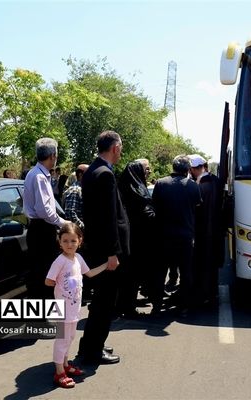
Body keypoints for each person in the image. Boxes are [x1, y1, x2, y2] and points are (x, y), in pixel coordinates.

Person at [77, 130, 129, 365]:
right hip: (105, 251)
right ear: (115, 148)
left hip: (97, 247)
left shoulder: (92, 171)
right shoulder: (104, 174)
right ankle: (93, 351)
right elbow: (107, 218)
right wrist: (112, 253)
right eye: (121, 148)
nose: (121, 152)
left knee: (100, 301)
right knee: (105, 302)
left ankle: (91, 344)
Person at [45, 222, 107, 388]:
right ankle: (59, 373)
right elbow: (48, 281)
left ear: (80, 241)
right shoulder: (60, 261)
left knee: (70, 338)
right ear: (59, 242)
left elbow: (89, 273)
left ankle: (65, 365)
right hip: (63, 308)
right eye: (65, 241)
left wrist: (106, 265)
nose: (69, 244)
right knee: (62, 340)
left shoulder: (78, 258)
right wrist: (63, 284)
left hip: (73, 308)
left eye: (73, 241)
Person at [151, 155, 201, 315]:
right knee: (186, 272)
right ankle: (184, 306)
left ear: (172, 167)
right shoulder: (193, 186)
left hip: (163, 236)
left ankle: (157, 305)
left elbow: (155, 207)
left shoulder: (160, 183)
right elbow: (197, 206)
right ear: (188, 169)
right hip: (185, 236)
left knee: (160, 272)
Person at [23, 138, 68, 306]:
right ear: (53, 155)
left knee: (39, 275)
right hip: (42, 229)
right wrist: (64, 223)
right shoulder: (40, 177)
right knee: (44, 275)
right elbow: (45, 211)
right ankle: (41, 321)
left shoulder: (35, 173)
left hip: (38, 228)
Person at [116, 159, 156, 318]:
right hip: (135, 241)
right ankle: (127, 307)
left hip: (131, 240)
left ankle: (124, 305)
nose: (148, 172)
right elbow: (145, 213)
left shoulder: (128, 186)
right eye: (145, 169)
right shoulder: (135, 190)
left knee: (128, 276)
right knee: (130, 276)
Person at [188, 154, 225, 306]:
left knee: (201, 265)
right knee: (213, 266)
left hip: (202, 232)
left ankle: (202, 296)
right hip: (216, 231)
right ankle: (212, 295)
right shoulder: (217, 181)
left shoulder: (198, 185)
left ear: (193, 169)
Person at [62, 164, 88, 230]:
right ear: (80, 175)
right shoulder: (75, 190)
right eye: (89, 173)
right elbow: (71, 214)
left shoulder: (83, 189)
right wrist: (84, 228)